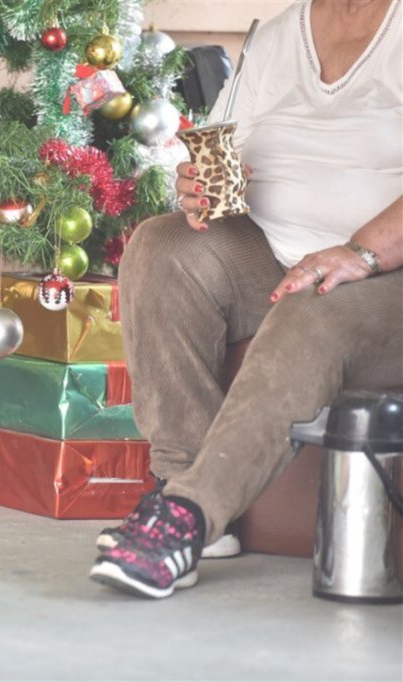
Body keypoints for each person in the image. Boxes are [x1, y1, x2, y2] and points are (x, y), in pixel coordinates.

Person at [90, 0, 402, 598]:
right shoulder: (280, 35)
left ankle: (187, 516)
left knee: (315, 301)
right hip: (277, 252)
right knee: (162, 247)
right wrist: (200, 185)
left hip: (384, 275)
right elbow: (231, 147)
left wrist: (361, 253)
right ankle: (180, 485)